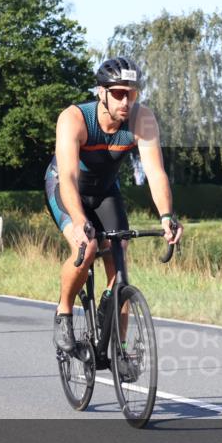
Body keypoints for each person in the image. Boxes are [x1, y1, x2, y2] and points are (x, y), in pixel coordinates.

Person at [45, 57, 183, 353]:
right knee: (88, 248)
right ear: (101, 92)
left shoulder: (142, 120)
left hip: (106, 191)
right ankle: (64, 311)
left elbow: (155, 173)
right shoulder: (74, 118)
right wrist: (81, 222)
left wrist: (167, 216)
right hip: (66, 188)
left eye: (131, 94)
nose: (125, 101)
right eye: (118, 93)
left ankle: (120, 350)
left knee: (119, 268)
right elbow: (68, 177)